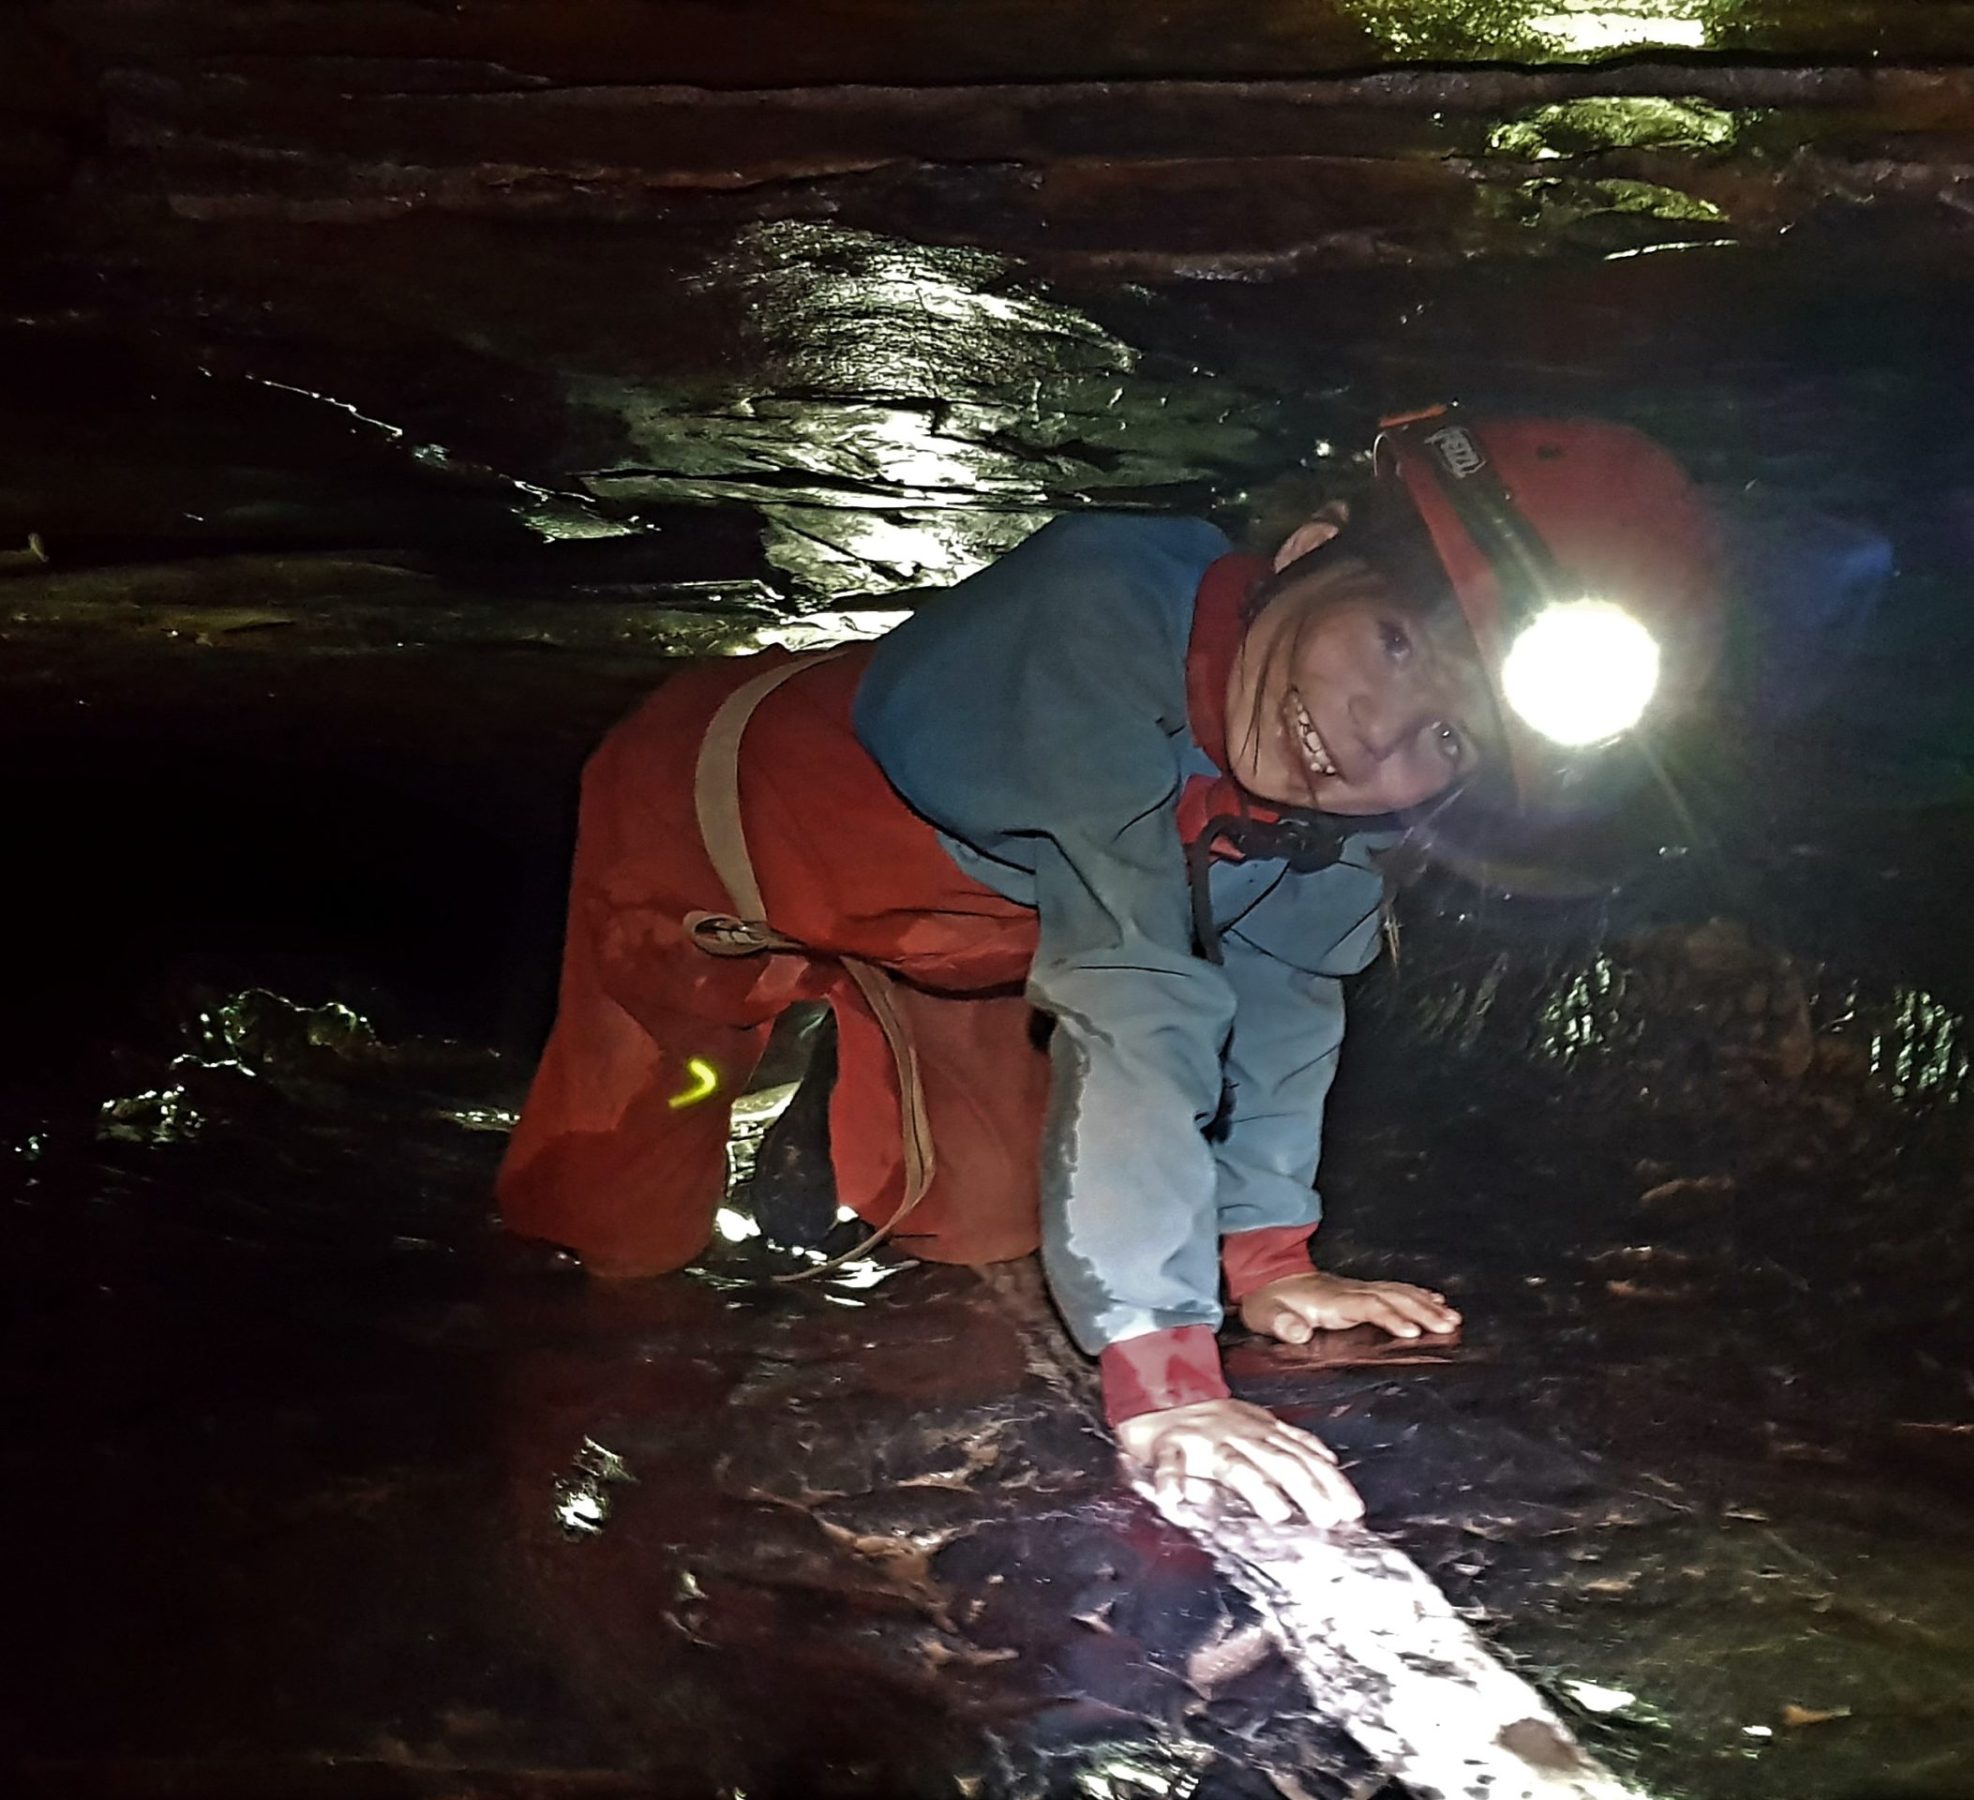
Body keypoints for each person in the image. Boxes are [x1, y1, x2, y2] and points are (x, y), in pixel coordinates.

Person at [498, 408, 1730, 1527]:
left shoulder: (1325, 828)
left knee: (983, 1224)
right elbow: (1140, 999)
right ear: (1307, 553)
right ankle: (579, 1478)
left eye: (1447, 737)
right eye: (1398, 642)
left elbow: (1288, 1011)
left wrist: (1267, 1266)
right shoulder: (1092, 621)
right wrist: (1162, 1374)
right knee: (620, 1206)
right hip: (704, 843)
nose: (1378, 734)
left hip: (962, 943)